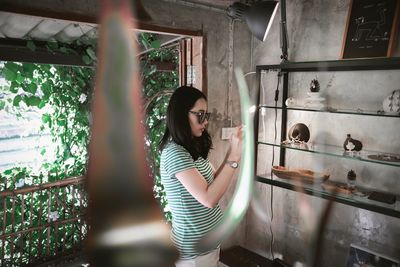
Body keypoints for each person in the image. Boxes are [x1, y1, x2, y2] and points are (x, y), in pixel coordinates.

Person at [159, 86, 242, 267]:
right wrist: (234, 157)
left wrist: (232, 150)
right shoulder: (174, 153)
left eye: (207, 115)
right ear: (182, 114)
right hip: (193, 252)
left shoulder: (190, 149)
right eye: (200, 115)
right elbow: (209, 198)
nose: (205, 122)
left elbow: (214, 182)